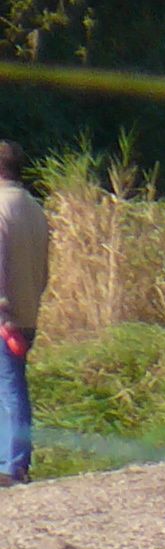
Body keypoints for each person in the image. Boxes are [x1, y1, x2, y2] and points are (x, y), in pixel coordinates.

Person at [0, 142, 50, 490]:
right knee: (9, 387)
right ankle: (10, 461)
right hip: (28, 311)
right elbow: (43, 271)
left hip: (5, 317)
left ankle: (13, 465)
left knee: (9, 389)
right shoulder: (34, 208)